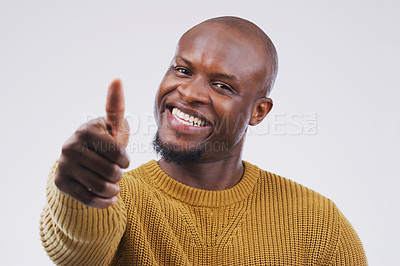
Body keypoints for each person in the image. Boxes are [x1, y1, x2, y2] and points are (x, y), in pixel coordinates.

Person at [40, 16, 367, 265]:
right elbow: (78, 248)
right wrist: (79, 189)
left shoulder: (317, 225)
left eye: (223, 86)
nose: (190, 93)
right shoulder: (119, 198)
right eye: (183, 71)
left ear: (259, 111)